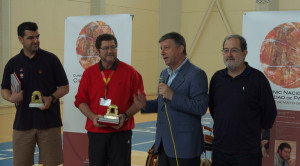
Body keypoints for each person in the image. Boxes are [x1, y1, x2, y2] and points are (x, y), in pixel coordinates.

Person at [134, 32, 209, 166]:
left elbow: (200, 107)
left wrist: (173, 96)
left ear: (180, 49)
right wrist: (144, 104)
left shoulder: (196, 74)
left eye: (166, 48)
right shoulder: (165, 73)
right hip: (164, 146)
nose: (162, 52)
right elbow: (162, 103)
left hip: (186, 147)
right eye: (161, 49)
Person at [1, 22, 69, 166]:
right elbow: (4, 89)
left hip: (50, 123)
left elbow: (65, 87)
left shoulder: (51, 60)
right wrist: (10, 97)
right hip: (22, 123)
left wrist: (52, 97)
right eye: (31, 37)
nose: (36, 40)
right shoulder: (12, 63)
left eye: (37, 36)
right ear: (20, 39)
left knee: (52, 163)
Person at [74, 33, 145, 166]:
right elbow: (80, 100)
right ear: (97, 51)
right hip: (96, 133)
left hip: (121, 133)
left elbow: (140, 101)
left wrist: (125, 116)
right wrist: (92, 116)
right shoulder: (89, 73)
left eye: (113, 47)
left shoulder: (131, 72)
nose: (110, 51)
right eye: (106, 48)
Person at [209, 34, 277, 166]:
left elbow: (269, 112)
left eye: (234, 50)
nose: (229, 54)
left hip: (248, 152)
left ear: (244, 53)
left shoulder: (258, 79)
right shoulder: (217, 78)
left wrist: (254, 130)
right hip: (220, 150)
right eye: (226, 50)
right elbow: (213, 109)